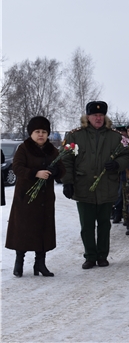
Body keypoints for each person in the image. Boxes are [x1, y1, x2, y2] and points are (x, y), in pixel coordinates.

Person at [62, 101, 129, 269]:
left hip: (106, 186)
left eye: (101, 115)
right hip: (83, 186)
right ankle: (90, 256)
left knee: (104, 224)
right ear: (88, 117)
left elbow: (127, 155)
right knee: (86, 225)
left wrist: (117, 164)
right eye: (95, 115)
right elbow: (66, 159)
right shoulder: (75, 136)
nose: (98, 118)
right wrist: (67, 182)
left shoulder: (115, 137)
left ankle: (102, 255)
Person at [6, 116, 66, 277]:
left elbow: (61, 169)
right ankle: (19, 262)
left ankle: (40, 264)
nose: (41, 135)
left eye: (44, 132)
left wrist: (55, 172)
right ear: (31, 133)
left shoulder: (52, 150)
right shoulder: (23, 149)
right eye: (37, 132)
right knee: (23, 230)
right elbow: (17, 167)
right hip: (26, 198)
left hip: (45, 199)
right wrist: (35, 173)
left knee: (43, 230)